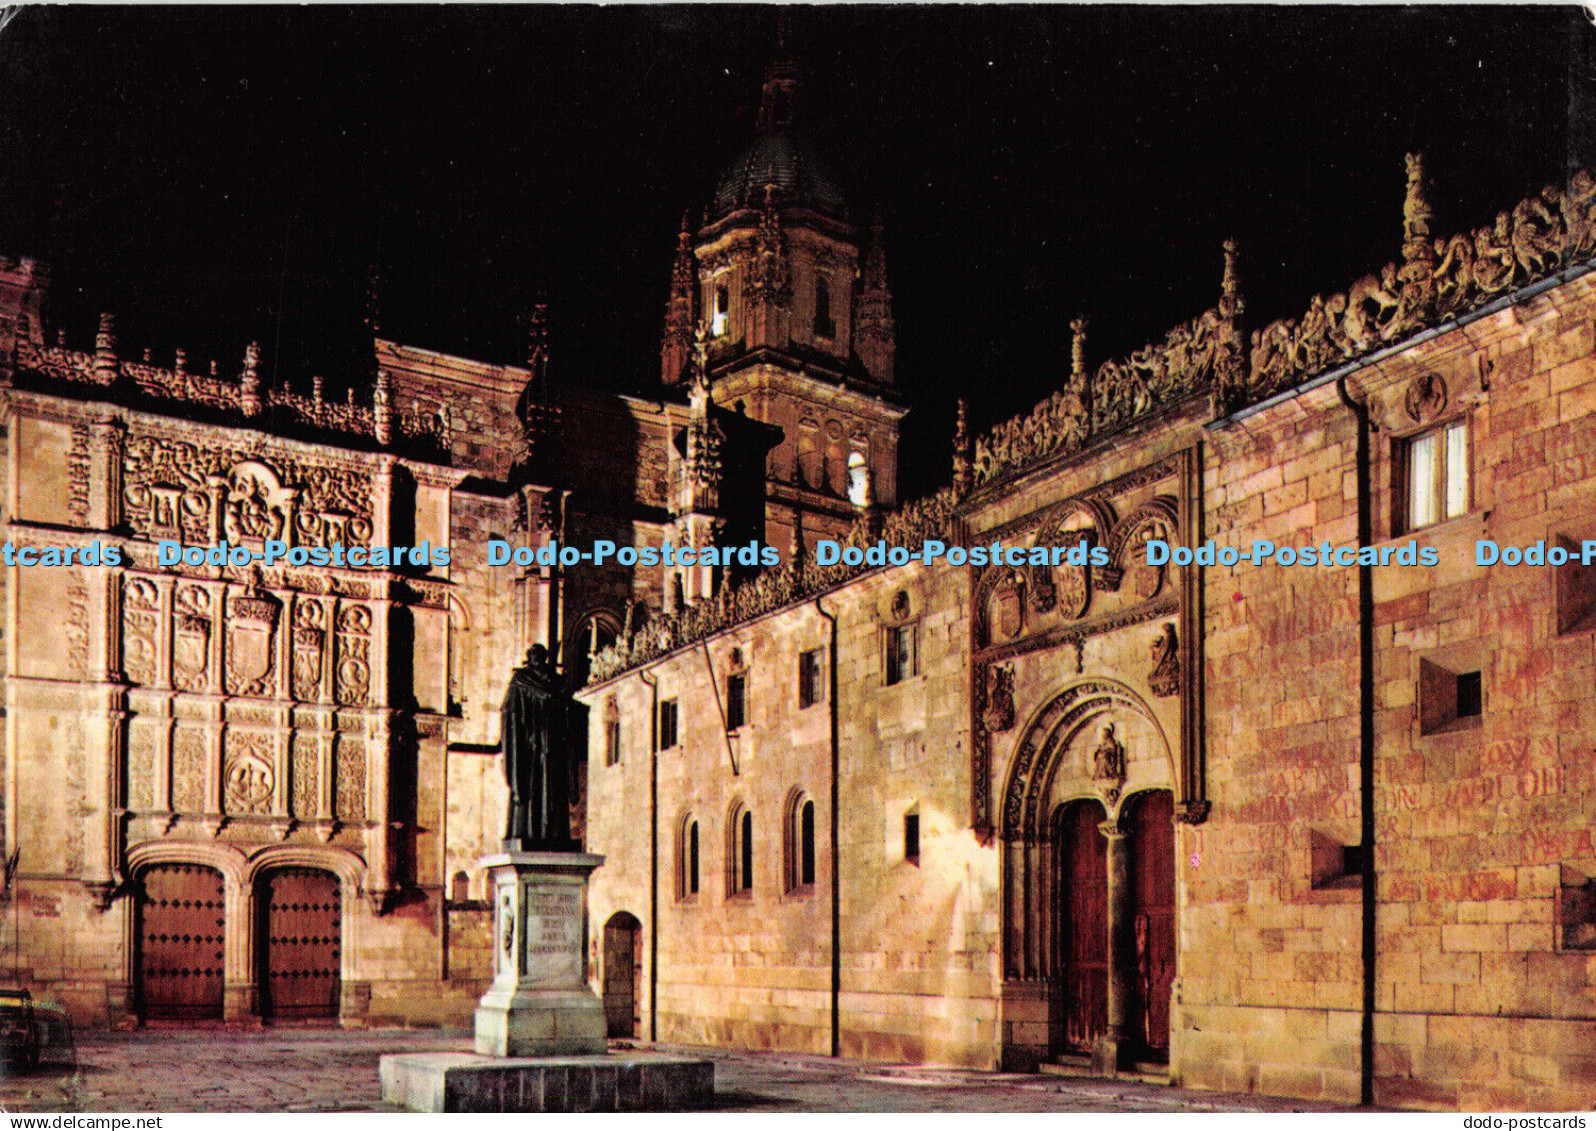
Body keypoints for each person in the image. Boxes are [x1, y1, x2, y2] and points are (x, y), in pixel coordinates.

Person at [499, 644, 578, 850]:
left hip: (533, 750)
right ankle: (549, 833)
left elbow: (510, 716)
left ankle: (533, 832)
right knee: (546, 788)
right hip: (548, 749)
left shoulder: (521, 681)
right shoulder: (556, 683)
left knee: (535, 788)